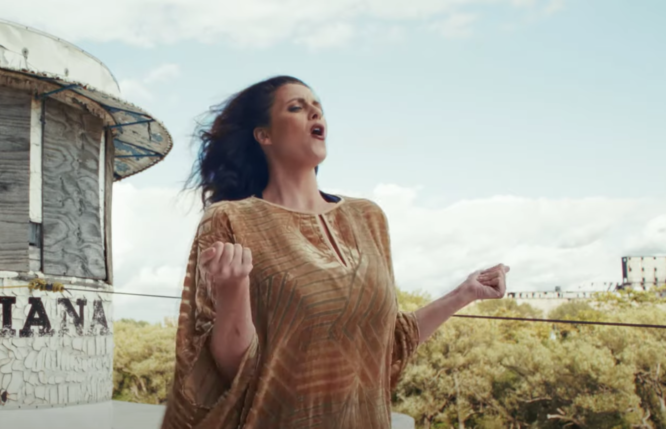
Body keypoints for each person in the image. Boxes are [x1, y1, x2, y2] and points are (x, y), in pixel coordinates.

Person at [160, 76, 510, 429]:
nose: (315, 111)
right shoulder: (231, 220)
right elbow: (224, 372)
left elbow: (388, 342)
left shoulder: (369, 218)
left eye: (318, 106)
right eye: (296, 107)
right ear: (263, 135)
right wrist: (232, 289)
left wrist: (464, 294)